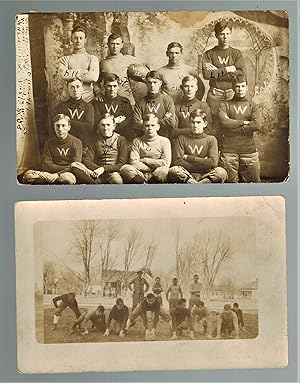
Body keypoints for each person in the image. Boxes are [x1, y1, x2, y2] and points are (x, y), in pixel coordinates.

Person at [202, 20, 247, 137]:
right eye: (222, 34)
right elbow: (207, 75)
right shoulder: (209, 54)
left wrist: (216, 71)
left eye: (227, 33)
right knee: (214, 126)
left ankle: (228, 153)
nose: (225, 37)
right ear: (216, 35)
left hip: (232, 93)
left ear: (230, 34)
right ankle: (215, 154)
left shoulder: (236, 53)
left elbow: (241, 74)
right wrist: (227, 69)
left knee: (233, 124)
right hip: (214, 95)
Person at [218, 74, 261, 183]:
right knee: (229, 187)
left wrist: (232, 129)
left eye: (242, 86)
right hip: (228, 151)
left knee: (253, 187)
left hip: (249, 152)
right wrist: (243, 123)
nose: (240, 89)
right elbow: (224, 122)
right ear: (233, 88)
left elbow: (256, 125)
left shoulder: (253, 106)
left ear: (247, 87)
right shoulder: (225, 105)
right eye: (237, 86)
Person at [168, 109, 227, 184]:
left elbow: (213, 163)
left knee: (221, 172)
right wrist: (203, 162)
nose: (195, 125)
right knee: (174, 170)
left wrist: (188, 158)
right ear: (189, 123)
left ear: (205, 124)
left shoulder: (211, 139)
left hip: (205, 175)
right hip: (187, 174)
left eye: (198, 122)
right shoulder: (181, 138)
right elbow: (177, 161)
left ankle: (199, 183)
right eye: (193, 122)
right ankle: (194, 182)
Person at [22, 114, 82, 185]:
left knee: (67, 179)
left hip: (67, 173)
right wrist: (53, 174)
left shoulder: (77, 142)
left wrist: (57, 174)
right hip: (50, 172)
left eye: (63, 125)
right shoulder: (48, 143)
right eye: (57, 126)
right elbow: (47, 165)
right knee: (28, 176)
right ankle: (52, 180)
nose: (60, 129)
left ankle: (49, 180)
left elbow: (75, 166)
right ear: (54, 127)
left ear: (69, 127)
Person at [70, 113, 128, 184]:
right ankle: (95, 184)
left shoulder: (121, 139)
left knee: (117, 180)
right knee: (74, 165)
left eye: (108, 125)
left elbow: (121, 164)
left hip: (113, 173)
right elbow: (87, 160)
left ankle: (94, 185)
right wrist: (98, 169)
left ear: (114, 126)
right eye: (103, 125)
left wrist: (103, 169)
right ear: (99, 126)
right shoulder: (94, 140)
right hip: (96, 172)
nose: (105, 128)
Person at [120, 114, 172, 184]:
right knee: (125, 168)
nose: (150, 128)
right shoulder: (137, 141)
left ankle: (149, 183)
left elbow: (165, 163)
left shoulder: (165, 141)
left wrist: (145, 160)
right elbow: (134, 162)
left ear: (158, 127)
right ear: (143, 128)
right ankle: (142, 182)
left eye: (152, 125)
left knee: (163, 170)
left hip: (158, 173)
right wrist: (151, 169)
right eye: (147, 126)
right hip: (141, 174)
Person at [58, 24, 99, 103]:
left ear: (85, 40)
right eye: (75, 38)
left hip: (88, 100)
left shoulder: (92, 59)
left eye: (81, 38)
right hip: (68, 99)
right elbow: (62, 75)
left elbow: (93, 77)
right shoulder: (65, 59)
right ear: (71, 40)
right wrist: (84, 72)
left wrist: (70, 74)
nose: (78, 41)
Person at [97, 33, 142, 105]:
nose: (115, 47)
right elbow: (96, 82)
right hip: (109, 102)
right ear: (108, 45)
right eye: (112, 44)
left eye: (117, 44)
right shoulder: (103, 63)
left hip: (128, 102)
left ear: (122, 45)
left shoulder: (129, 59)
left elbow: (145, 68)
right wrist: (97, 92)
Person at [133, 71, 176, 138]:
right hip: (144, 139)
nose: (152, 85)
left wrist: (145, 122)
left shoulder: (167, 100)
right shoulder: (140, 102)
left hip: (163, 138)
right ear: (146, 83)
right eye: (149, 82)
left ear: (160, 83)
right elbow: (136, 124)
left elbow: (171, 122)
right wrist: (163, 120)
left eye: (155, 82)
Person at [93, 73, 135, 142]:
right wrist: (115, 121)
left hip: (121, 136)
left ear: (118, 87)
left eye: (114, 86)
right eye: (109, 86)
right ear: (104, 86)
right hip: (103, 137)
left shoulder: (124, 101)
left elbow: (129, 120)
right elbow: (96, 121)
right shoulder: (98, 102)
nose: (112, 89)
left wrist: (109, 127)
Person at [56, 78, 94, 151]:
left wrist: (69, 122)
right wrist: (81, 125)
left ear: (82, 89)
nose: (75, 90)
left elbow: (89, 127)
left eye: (77, 86)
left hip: (84, 146)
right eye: (72, 87)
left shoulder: (88, 107)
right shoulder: (61, 107)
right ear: (68, 90)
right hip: (66, 146)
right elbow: (59, 128)